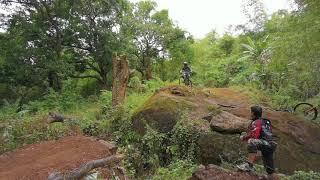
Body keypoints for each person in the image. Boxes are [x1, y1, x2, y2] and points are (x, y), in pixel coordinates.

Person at [237, 106, 277, 178]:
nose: (250, 113)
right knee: (270, 171)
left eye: (251, 112)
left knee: (252, 141)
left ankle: (248, 165)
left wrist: (243, 137)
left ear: (253, 113)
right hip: (271, 145)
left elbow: (254, 135)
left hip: (265, 143)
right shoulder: (266, 121)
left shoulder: (256, 122)